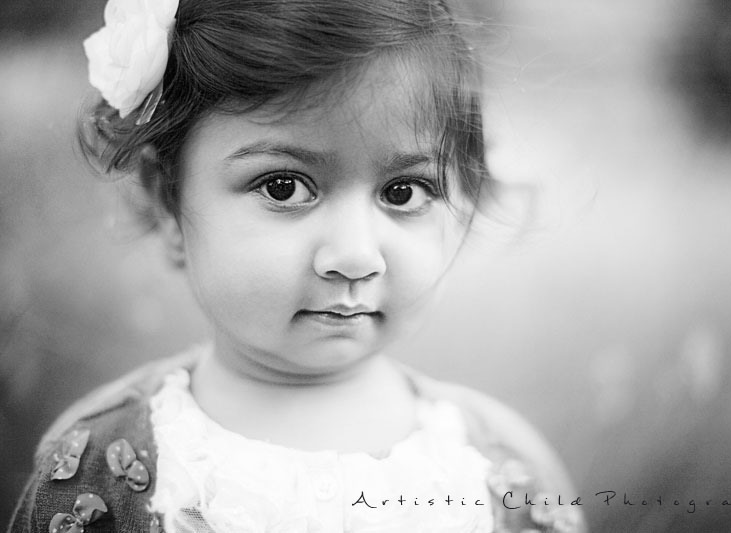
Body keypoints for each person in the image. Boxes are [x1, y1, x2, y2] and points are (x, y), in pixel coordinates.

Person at [7, 0, 585, 531]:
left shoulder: (503, 472)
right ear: (168, 199)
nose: (356, 255)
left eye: (405, 192)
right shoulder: (97, 469)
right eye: (284, 187)